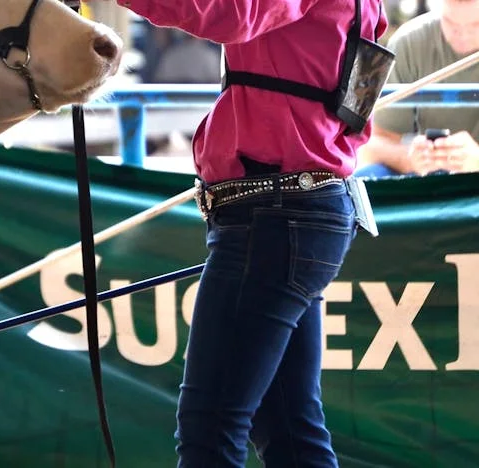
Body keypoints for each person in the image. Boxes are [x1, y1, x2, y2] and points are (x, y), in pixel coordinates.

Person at [83, 0, 388, 466]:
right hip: (302, 208)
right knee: (289, 428)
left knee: (211, 430)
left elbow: (230, 12)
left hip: (275, 212)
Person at [356, 0, 479, 177]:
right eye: (451, 24)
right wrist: (409, 158)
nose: (463, 35)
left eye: (475, 25)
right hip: (423, 177)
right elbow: (368, 145)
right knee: (364, 180)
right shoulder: (407, 41)